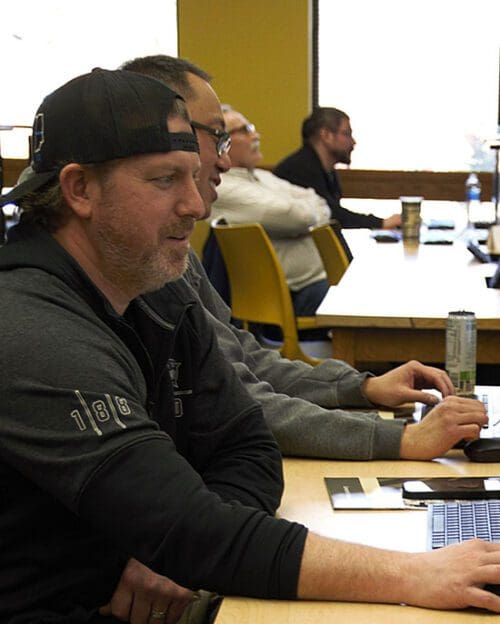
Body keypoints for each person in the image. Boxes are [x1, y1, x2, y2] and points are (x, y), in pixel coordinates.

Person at [1, 67, 499, 624]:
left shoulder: (152, 291)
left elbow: (249, 446)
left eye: (194, 175)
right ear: (79, 190)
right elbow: (190, 527)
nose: (195, 204)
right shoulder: (29, 326)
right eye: (166, 179)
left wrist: (181, 552)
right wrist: (414, 573)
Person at [122, 55, 486, 465]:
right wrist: (398, 438)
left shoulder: (172, 251)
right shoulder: (131, 263)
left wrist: (362, 389)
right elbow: (236, 396)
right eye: (217, 137)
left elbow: (246, 359)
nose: (223, 160)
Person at [207, 104, 331, 317]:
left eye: (252, 127)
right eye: (245, 130)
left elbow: (318, 201)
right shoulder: (224, 187)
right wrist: (307, 223)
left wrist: (306, 222)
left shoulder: (258, 176)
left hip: (315, 283)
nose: (256, 135)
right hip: (295, 298)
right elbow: (300, 216)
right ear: (222, 142)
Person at [274, 107, 401, 230]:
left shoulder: (326, 170)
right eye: (347, 134)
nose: (353, 142)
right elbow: (331, 215)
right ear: (326, 135)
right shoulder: (299, 169)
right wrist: (381, 223)